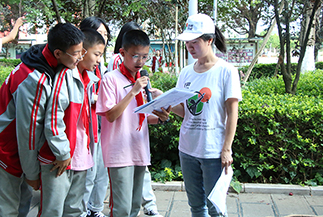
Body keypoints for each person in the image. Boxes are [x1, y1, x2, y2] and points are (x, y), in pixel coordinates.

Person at [0, 22, 85, 217]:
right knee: (8, 208)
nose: (81, 57)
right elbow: (28, 132)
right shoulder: (35, 80)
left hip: (17, 149)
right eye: (76, 53)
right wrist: (31, 175)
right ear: (57, 53)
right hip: (7, 147)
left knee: (21, 205)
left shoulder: (41, 59)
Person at [173, 13, 242, 217]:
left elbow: (232, 113)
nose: (189, 47)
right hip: (187, 149)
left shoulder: (227, 71)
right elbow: (185, 110)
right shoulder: (186, 72)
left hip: (213, 152)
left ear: (209, 40)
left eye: (194, 42)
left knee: (216, 208)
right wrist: (165, 104)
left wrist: (226, 149)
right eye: (187, 42)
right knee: (196, 206)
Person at [96, 29, 170, 217]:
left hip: (138, 148)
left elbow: (139, 116)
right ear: (122, 53)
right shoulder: (111, 79)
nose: (140, 62)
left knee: (135, 207)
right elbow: (111, 115)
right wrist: (133, 92)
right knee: (121, 208)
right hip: (119, 151)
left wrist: (160, 118)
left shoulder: (142, 81)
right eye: (135, 56)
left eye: (145, 56)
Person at [37, 29, 105, 217]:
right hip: (60, 159)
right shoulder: (65, 76)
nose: (99, 60)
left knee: (75, 209)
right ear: (82, 52)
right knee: (53, 210)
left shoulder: (90, 80)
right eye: (97, 54)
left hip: (80, 156)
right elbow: (53, 118)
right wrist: (63, 152)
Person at [79, 17, 111, 217]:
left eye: (106, 35)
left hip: (101, 126)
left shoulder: (101, 64)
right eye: (101, 34)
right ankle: (82, 210)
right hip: (86, 129)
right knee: (87, 175)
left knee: (101, 173)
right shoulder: (78, 66)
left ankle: (95, 209)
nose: (104, 38)